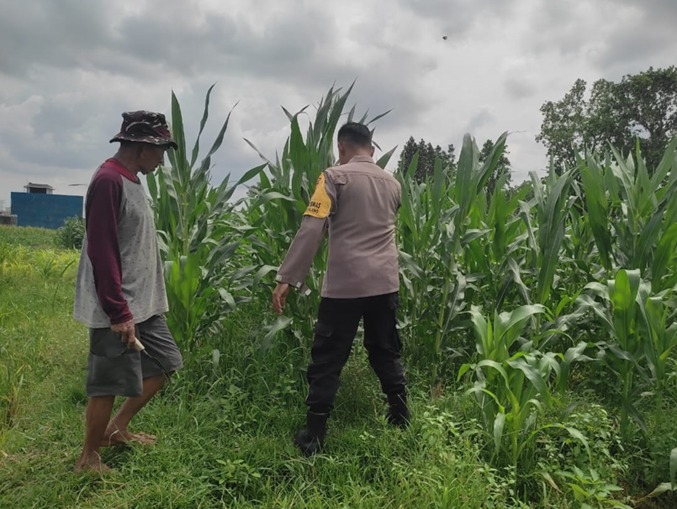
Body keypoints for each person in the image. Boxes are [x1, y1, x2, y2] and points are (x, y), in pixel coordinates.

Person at [272, 122, 409, 456]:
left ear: (342, 147)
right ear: (371, 149)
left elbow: (312, 228)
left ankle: (314, 435)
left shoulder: (333, 177)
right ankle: (400, 414)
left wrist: (288, 276)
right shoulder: (393, 183)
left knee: (329, 357)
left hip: (345, 285)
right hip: (385, 283)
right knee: (385, 348)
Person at [72, 111, 183, 473]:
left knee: (166, 362)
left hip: (143, 303)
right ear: (141, 146)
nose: (162, 158)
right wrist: (118, 311)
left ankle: (116, 429)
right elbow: (102, 249)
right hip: (117, 305)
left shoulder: (131, 179)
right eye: (161, 150)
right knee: (106, 382)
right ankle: (88, 457)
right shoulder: (108, 180)